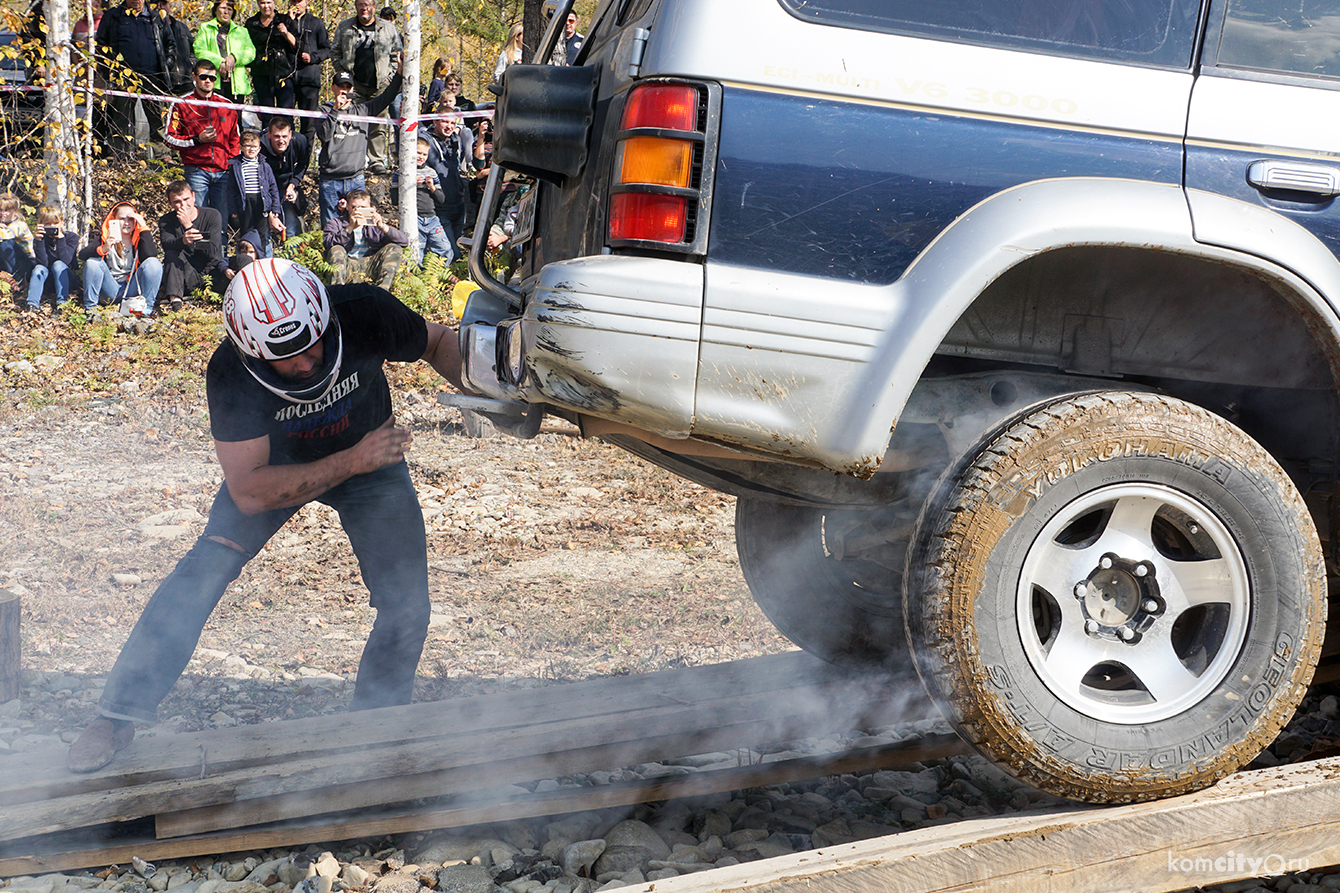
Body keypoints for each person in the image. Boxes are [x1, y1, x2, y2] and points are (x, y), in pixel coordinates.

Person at [63, 257, 468, 774]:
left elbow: (436, 342)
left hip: (372, 461)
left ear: (324, 320)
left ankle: (375, 727)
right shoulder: (231, 373)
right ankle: (115, 716)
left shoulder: (364, 310)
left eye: (311, 347)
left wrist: (490, 387)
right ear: (252, 353)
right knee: (206, 567)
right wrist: (353, 458)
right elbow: (249, 492)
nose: (303, 364)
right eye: (285, 358)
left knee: (407, 603)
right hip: (278, 472)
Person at [316, 68, 402, 228]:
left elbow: (387, 97)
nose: (344, 91)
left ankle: (358, 253)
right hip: (330, 180)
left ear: (353, 90)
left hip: (355, 179)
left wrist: (400, 72)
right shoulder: (324, 110)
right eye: (341, 86)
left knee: (361, 226)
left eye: (348, 87)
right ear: (333, 87)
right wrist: (335, 110)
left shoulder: (363, 110)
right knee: (330, 229)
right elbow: (324, 135)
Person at [94, 0, 177, 159]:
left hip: (153, 76)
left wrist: (166, 65)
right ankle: (119, 156)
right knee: (120, 117)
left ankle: (163, 155)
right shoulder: (113, 16)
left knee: (157, 117)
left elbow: (170, 44)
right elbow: (101, 45)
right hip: (122, 78)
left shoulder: (156, 16)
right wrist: (109, 71)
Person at [331, 0, 402, 175]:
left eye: (368, 4)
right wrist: (344, 75)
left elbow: (397, 54)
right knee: (352, 123)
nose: (365, 8)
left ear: (374, 7)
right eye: (361, 4)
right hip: (354, 86)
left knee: (378, 125)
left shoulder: (388, 28)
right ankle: (356, 160)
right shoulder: (345, 27)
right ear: (356, 6)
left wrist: (389, 77)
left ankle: (376, 161)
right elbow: (335, 51)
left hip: (380, 84)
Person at [165, 59, 241, 214]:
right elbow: (169, 138)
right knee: (197, 218)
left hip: (223, 171)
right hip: (196, 170)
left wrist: (231, 165)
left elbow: (235, 139)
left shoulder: (227, 105)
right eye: (203, 77)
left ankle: (221, 240)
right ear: (194, 77)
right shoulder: (181, 103)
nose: (208, 81)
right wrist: (196, 140)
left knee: (220, 221)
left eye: (212, 78)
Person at [80, 201, 163, 320]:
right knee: (92, 262)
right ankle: (90, 310)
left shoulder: (139, 239)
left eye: (130, 219)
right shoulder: (105, 237)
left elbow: (151, 255)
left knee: (154, 263)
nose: (126, 223)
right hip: (110, 289)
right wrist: (103, 249)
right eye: (122, 219)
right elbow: (82, 255)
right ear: (113, 219)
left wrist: (143, 226)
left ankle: (146, 310)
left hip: (132, 288)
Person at [159, 179, 228, 311]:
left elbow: (214, 251)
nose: (183, 205)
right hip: (185, 274)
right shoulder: (166, 221)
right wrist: (183, 241)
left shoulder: (212, 215)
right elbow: (166, 245)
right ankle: (175, 302)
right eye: (177, 202)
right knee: (172, 254)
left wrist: (188, 226)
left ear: (194, 196)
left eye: (186, 199)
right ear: (170, 203)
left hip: (211, 272)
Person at [323, 189, 406, 289]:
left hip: (370, 264)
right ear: (348, 207)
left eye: (363, 208)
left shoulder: (375, 225)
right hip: (348, 264)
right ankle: (338, 295)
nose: (358, 211)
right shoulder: (336, 223)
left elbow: (403, 241)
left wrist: (382, 226)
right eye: (354, 207)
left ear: (372, 209)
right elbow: (328, 244)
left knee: (394, 248)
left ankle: (382, 293)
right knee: (336, 250)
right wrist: (349, 228)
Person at [422, 107, 470, 262]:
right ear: (435, 120)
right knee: (451, 252)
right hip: (440, 206)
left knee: (458, 248)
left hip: (459, 203)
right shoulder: (425, 139)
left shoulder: (455, 140)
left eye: (452, 122)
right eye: (445, 121)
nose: (449, 126)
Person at [225, 130, 285, 255]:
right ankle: (246, 258)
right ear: (241, 147)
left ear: (259, 148)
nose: (251, 149)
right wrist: (233, 209)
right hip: (245, 203)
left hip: (262, 203)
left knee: (263, 234)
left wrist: (275, 209)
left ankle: (262, 258)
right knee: (247, 232)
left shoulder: (264, 165)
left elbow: (273, 187)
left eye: (254, 147)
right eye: (247, 146)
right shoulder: (236, 166)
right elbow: (230, 190)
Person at [192, 0, 256, 104]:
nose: (226, 12)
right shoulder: (205, 28)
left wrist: (234, 58)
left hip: (236, 85)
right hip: (213, 81)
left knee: (235, 118)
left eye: (229, 9)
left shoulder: (242, 31)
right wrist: (220, 62)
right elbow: (199, 50)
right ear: (216, 10)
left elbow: (251, 52)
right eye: (222, 8)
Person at [260, 114, 311, 237]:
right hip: (264, 188)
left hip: (287, 185)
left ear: (290, 135)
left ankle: (289, 254)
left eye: (284, 136)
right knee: (264, 230)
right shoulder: (259, 146)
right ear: (269, 135)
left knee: (291, 229)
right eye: (277, 136)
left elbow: (303, 164)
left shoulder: (300, 141)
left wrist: (293, 184)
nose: (281, 141)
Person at [287, 0, 330, 140]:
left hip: (309, 80)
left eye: (299, 1)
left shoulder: (316, 23)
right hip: (287, 79)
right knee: (286, 122)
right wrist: (289, 22)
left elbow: (327, 49)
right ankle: (287, 159)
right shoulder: (283, 22)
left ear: (306, 2)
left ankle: (304, 160)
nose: (296, 4)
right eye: (293, 1)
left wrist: (313, 57)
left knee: (308, 124)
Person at [245, 0, 297, 112]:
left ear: (274, 3)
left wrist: (286, 33)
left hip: (284, 73)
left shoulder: (285, 20)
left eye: (269, 2)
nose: (266, 6)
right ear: (258, 3)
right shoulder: (251, 23)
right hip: (261, 73)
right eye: (263, 3)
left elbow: (298, 46)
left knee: (286, 114)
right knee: (266, 115)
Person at [27, 205, 80, 315]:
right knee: (38, 268)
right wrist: (39, 241)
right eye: (47, 224)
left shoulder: (71, 237)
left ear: (61, 222)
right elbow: (43, 263)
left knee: (58, 265)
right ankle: (32, 304)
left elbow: (65, 261)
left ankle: (62, 303)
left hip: (67, 277)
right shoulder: (40, 239)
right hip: (49, 279)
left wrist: (60, 239)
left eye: (55, 223)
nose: (52, 227)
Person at [407, 136, 448, 265]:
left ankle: (437, 275)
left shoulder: (431, 172)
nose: (421, 157)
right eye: (418, 153)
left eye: (424, 154)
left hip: (432, 218)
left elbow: (441, 199)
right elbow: (395, 199)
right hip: (415, 219)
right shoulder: (403, 172)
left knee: (445, 249)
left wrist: (432, 187)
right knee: (417, 253)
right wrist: (411, 183)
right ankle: (419, 280)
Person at [151, 0, 194, 94]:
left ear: (169, 5)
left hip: (187, 83)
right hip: (165, 85)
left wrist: (192, 65)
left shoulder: (182, 27)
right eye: (157, 4)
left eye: (163, 3)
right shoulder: (151, 28)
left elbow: (193, 50)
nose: (161, 7)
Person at [0, 194, 36, 304]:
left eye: (7, 210)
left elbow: (4, 235)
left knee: (5, 244)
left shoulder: (20, 225)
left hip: (27, 265)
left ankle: (18, 279)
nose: (3, 214)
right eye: (1, 210)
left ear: (16, 211)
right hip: (14, 262)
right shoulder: (3, 224)